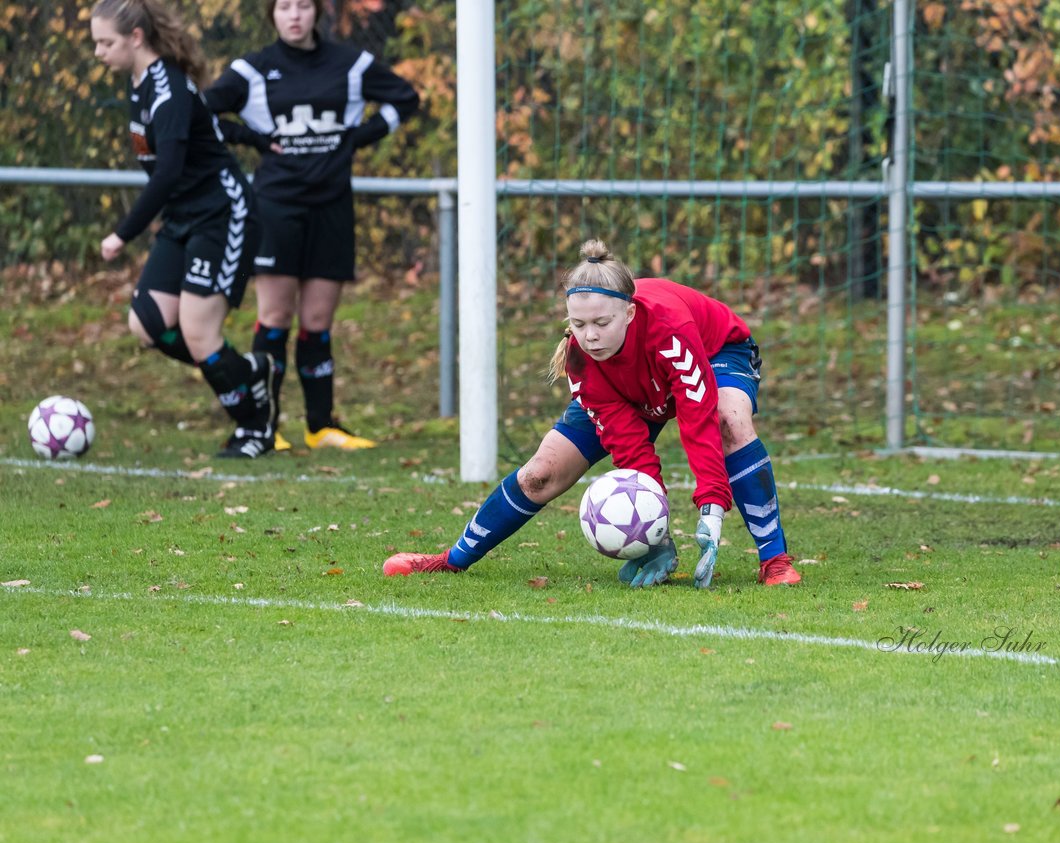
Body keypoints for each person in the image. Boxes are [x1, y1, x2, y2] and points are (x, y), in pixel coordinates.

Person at [384, 239, 803, 588]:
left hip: (716, 353)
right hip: (631, 390)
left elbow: (697, 417)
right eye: (579, 325)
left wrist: (712, 506)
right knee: (540, 473)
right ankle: (452, 559)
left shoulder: (668, 329)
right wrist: (654, 535)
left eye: (602, 323)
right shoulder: (581, 359)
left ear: (630, 311)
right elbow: (629, 445)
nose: (591, 335)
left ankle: (775, 561)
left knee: (729, 420)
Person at [203, 0, 420, 452]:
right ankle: (265, 426)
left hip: (332, 206)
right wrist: (255, 139)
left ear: (317, 11)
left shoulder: (351, 64)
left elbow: (407, 98)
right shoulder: (252, 69)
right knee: (274, 317)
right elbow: (203, 114)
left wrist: (356, 138)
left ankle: (320, 426)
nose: (294, 14)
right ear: (272, 14)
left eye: (303, 5)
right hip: (276, 207)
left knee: (318, 321)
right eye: (284, 6)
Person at [90, 0, 274, 459]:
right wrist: (252, 137)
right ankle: (248, 371)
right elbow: (210, 127)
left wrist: (123, 232)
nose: (98, 52)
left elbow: (169, 171)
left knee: (197, 330)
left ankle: (255, 427)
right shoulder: (139, 85)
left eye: (105, 42)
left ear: (135, 38)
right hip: (183, 218)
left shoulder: (167, 88)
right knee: (148, 325)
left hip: (222, 214)